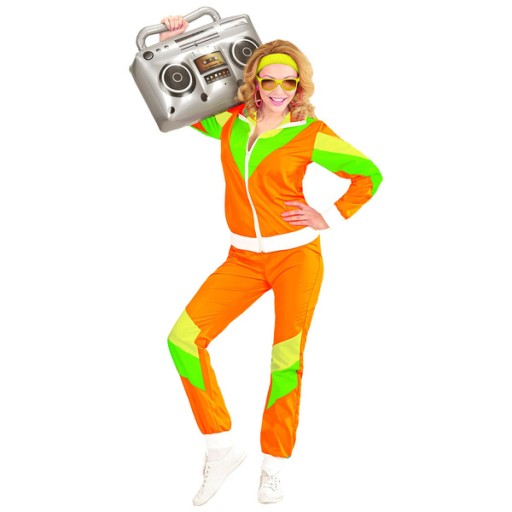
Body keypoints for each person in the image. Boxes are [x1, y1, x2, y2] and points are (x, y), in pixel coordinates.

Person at [159, 14, 383, 506]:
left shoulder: (310, 132)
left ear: (299, 85)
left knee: (285, 361)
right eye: (269, 81)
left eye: (289, 82)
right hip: (242, 259)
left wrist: (328, 216)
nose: (279, 90)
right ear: (254, 82)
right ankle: (220, 448)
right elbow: (178, 99)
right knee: (183, 341)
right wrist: (175, 43)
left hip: (296, 259)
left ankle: (274, 466)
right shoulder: (228, 123)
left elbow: (368, 174)